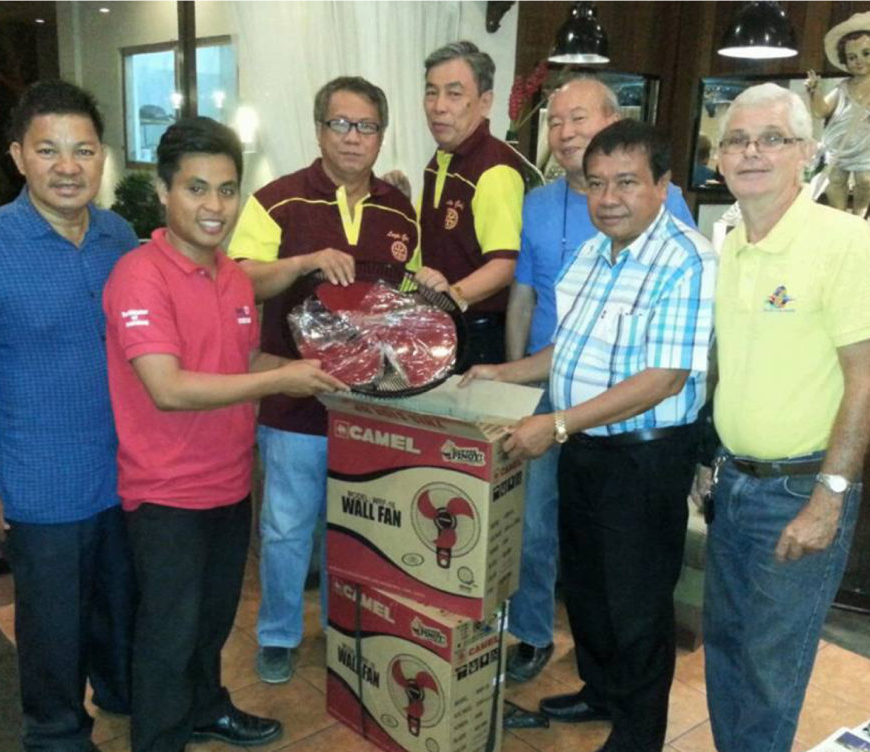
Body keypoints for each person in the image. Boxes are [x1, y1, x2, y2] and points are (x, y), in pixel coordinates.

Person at [659, 83, 870, 752]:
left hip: (800, 488)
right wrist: (708, 457)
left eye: (772, 139)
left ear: (806, 153)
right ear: (718, 157)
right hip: (734, 480)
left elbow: (869, 379)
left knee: (770, 668)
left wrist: (829, 497)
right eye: (736, 140)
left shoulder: (841, 240)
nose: (751, 152)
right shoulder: (729, 239)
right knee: (726, 645)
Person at [104, 117, 344, 752]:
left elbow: (238, 366)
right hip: (165, 491)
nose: (214, 205)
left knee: (210, 621)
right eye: (197, 189)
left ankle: (207, 707)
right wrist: (281, 380)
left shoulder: (232, 275)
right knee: (167, 632)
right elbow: (170, 387)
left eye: (228, 190)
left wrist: (322, 372)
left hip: (227, 479)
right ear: (163, 191)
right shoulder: (138, 276)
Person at [464, 120, 715, 752]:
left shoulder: (685, 260)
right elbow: (566, 354)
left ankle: (638, 734)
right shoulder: (594, 255)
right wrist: (507, 373)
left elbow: (663, 378)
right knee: (590, 589)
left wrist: (561, 424)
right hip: (585, 447)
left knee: (636, 600)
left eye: (627, 182)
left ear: (663, 186)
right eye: (598, 183)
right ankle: (601, 692)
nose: (609, 198)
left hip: (643, 456)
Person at [0, 80, 137, 752]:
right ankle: (55, 736)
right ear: (19, 155)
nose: (67, 165)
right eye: (48, 149)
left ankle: (120, 695)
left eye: (83, 149)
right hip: (35, 478)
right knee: (52, 624)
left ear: (101, 156)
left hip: (120, 471)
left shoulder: (119, 238)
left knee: (119, 602)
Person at [504, 75, 696, 684]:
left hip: (632, 429)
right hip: (562, 405)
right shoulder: (563, 225)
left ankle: (631, 717)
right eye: (555, 122)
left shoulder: (674, 232)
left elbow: (668, 366)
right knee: (561, 549)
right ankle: (569, 664)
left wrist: (556, 419)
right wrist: (509, 378)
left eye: (579, 118)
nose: (564, 132)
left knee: (630, 576)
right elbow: (541, 314)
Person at [227, 77, 418, 685]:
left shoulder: (398, 208)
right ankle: (279, 634)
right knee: (285, 526)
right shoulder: (277, 200)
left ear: (382, 136)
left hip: (371, 407)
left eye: (366, 127)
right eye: (341, 124)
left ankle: (345, 627)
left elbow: (403, 301)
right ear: (318, 129)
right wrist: (303, 262)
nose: (353, 138)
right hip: (292, 400)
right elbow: (238, 282)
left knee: (356, 526)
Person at [413, 40, 524, 370]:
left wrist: (452, 297)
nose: (438, 106)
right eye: (431, 92)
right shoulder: (442, 159)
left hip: (477, 335)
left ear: (485, 102)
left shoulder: (494, 167)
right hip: (441, 326)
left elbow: (505, 265)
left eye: (454, 93)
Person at [806, 11, 870, 218]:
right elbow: (821, 111)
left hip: (866, 147)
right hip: (837, 145)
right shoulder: (843, 87)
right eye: (852, 57)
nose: (859, 61)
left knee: (866, 181)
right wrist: (814, 92)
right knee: (835, 181)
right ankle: (839, 216)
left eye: (866, 53)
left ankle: (860, 215)